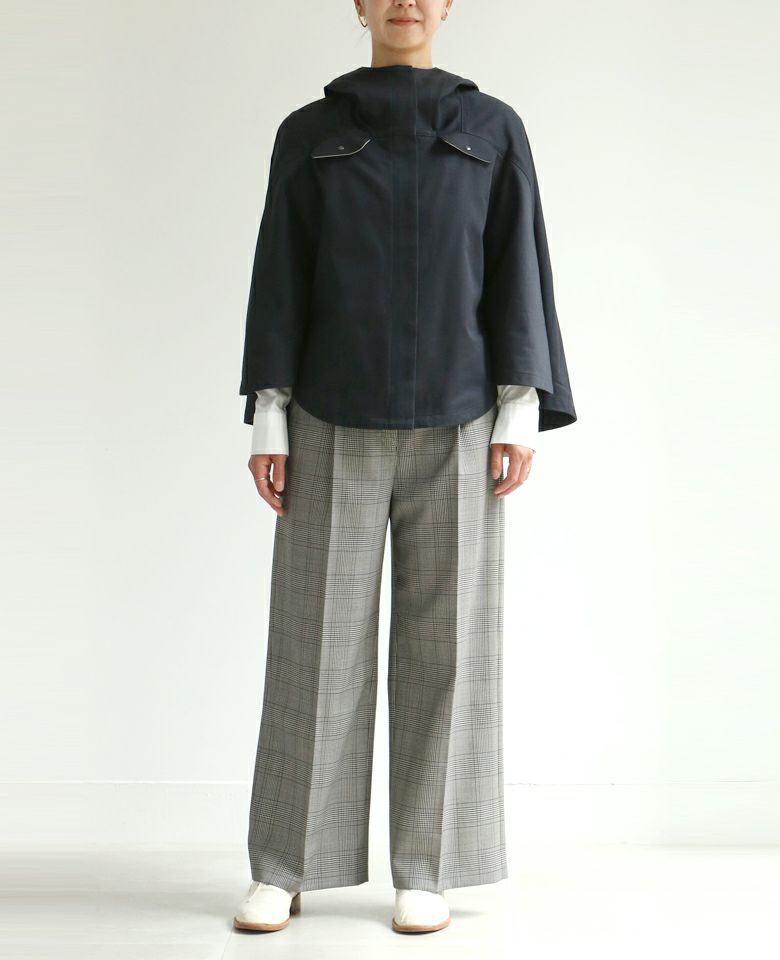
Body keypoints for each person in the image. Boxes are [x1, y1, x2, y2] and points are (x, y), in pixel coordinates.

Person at [234, 0, 577, 937]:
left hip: (462, 420)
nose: (405, 0)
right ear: (358, 4)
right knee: (314, 647)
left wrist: (520, 407)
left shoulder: (491, 127)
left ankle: (428, 867)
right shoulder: (309, 132)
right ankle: (285, 865)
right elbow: (281, 273)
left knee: (449, 653)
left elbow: (517, 264)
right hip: (328, 415)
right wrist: (270, 415)